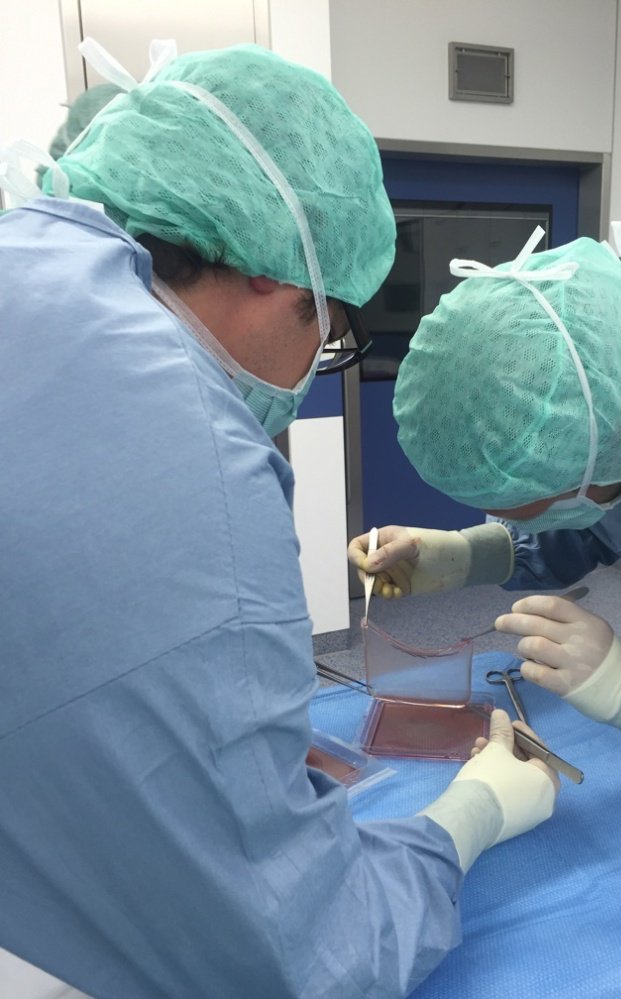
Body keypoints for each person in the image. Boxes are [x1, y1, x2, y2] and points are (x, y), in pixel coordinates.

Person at [0, 40, 560, 999]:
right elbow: (298, 959)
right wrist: (463, 819)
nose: (311, 366)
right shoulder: (186, 448)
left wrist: (466, 550)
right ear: (270, 273)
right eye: (326, 325)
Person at [349, 208, 621, 803]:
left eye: (533, 508)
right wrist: (468, 556)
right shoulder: (616, 340)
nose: (530, 521)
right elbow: (617, 513)